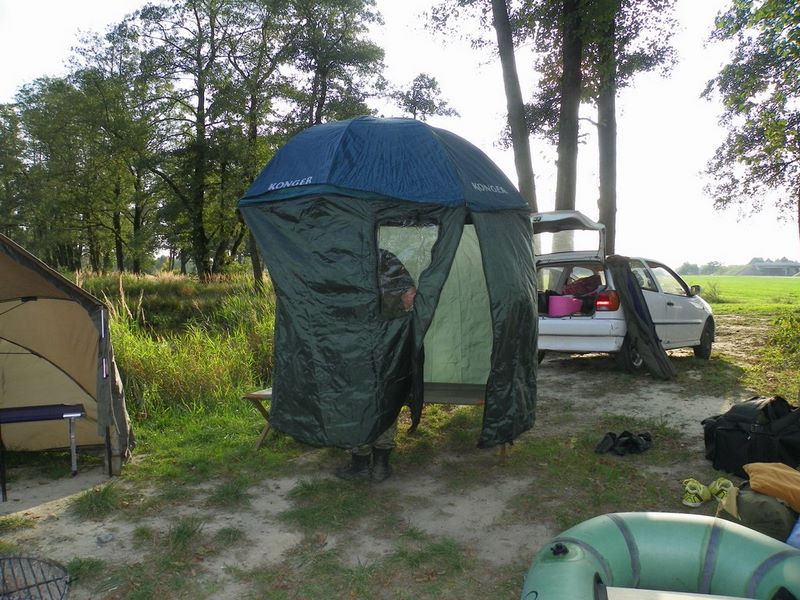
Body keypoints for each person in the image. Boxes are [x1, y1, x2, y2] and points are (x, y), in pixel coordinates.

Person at [334, 249, 416, 483]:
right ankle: (380, 464)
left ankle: (361, 462)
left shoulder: (346, 259)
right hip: (387, 346)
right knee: (384, 399)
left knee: (361, 400)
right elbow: (410, 296)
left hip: (356, 347)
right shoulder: (386, 259)